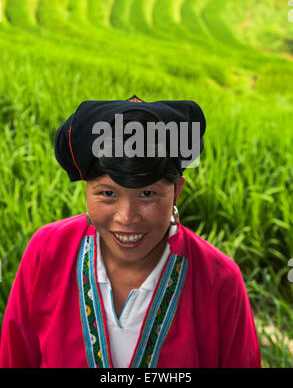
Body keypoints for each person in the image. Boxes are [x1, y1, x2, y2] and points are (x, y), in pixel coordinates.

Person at [0, 96, 261, 368]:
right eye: (107, 193)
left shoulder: (220, 280)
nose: (126, 217)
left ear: (176, 192)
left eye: (147, 193)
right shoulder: (47, 250)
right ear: (87, 191)